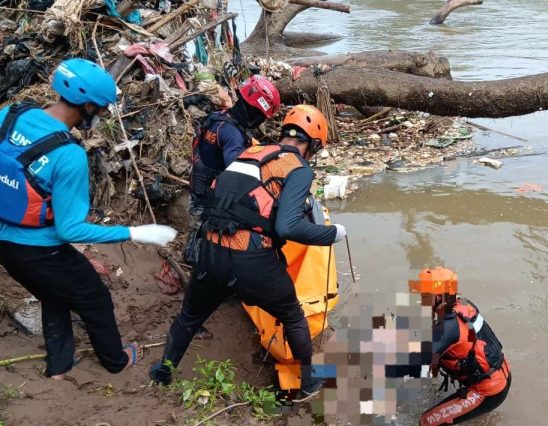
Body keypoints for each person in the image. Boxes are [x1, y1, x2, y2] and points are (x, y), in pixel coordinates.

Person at [150, 104, 347, 401]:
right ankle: (307, 383)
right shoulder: (299, 168)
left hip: (210, 250)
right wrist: (332, 234)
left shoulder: (249, 152)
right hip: (250, 261)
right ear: (314, 145)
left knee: (189, 317)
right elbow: (287, 228)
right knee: (293, 316)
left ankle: (163, 372)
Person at [0, 58, 177, 380]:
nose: (104, 114)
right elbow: (69, 229)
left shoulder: (9, 116)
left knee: (52, 294)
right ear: (86, 105)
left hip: (5, 243)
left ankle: (60, 365)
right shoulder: (69, 155)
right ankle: (116, 360)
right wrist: (135, 232)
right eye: (102, 109)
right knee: (95, 299)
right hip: (41, 249)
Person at [185, 75, 281, 265]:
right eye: (261, 117)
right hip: (209, 199)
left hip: (199, 188)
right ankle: (198, 273)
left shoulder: (219, 118)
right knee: (206, 244)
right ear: (254, 111)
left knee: (197, 235)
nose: (260, 122)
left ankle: (194, 261)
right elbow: (237, 168)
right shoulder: (231, 134)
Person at [410, 267, 511, 426]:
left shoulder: (446, 329)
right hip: (503, 373)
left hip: (488, 391)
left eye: (426, 294)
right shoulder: (464, 304)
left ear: (440, 296)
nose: (422, 298)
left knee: (427, 424)